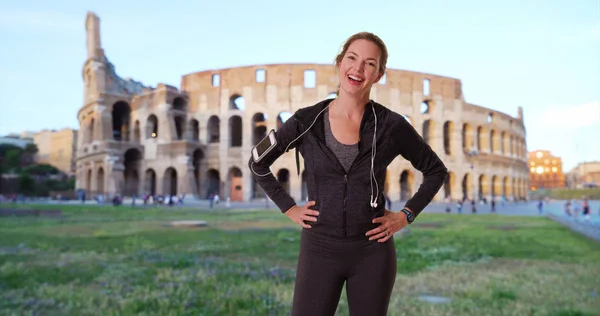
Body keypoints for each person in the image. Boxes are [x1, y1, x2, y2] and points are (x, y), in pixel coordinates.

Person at [248, 32, 448, 316]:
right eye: (352, 59)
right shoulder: (305, 121)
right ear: (340, 63)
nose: (358, 69)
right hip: (319, 249)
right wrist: (289, 208)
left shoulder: (392, 125)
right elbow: (257, 163)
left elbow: (436, 170)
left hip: (372, 252)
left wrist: (406, 215)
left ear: (378, 75)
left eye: (369, 64)